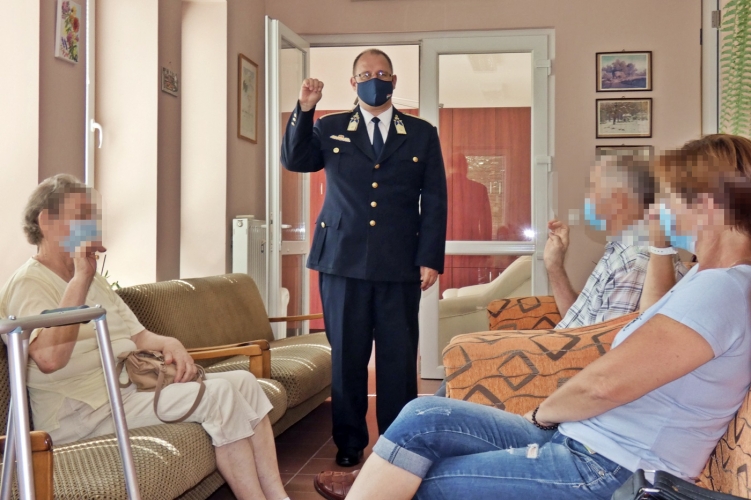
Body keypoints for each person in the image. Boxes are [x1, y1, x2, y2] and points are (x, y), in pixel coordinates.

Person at [312, 133, 751, 500]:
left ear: (707, 205)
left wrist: (541, 416)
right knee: (423, 415)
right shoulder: (706, 277)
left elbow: (603, 385)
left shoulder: (721, 290)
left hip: (610, 467)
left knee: (420, 484)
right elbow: (646, 319)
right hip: (586, 439)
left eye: (672, 197)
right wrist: (660, 244)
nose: (661, 207)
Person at [0, 174, 290, 500]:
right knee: (220, 395)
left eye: (92, 217)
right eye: (81, 216)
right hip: (79, 414)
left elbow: (138, 336)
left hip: (123, 392)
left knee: (245, 383)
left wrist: (171, 344)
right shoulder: (29, 283)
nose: (91, 225)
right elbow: (50, 359)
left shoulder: (94, 280)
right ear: (47, 221)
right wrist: (81, 278)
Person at [281, 49, 447, 467]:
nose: (375, 79)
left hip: (399, 262)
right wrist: (305, 109)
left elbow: (435, 199)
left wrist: (429, 257)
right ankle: (350, 442)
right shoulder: (331, 126)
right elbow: (295, 160)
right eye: (366, 73)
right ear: (353, 83)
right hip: (341, 260)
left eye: (382, 73)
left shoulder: (421, 133)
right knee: (348, 357)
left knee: (398, 358)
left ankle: (396, 444)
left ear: (394, 81)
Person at [546, 153, 688, 329]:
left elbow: (603, 339)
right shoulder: (620, 248)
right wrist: (555, 266)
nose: (587, 199)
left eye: (593, 189)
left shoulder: (635, 258)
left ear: (621, 198)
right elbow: (580, 323)